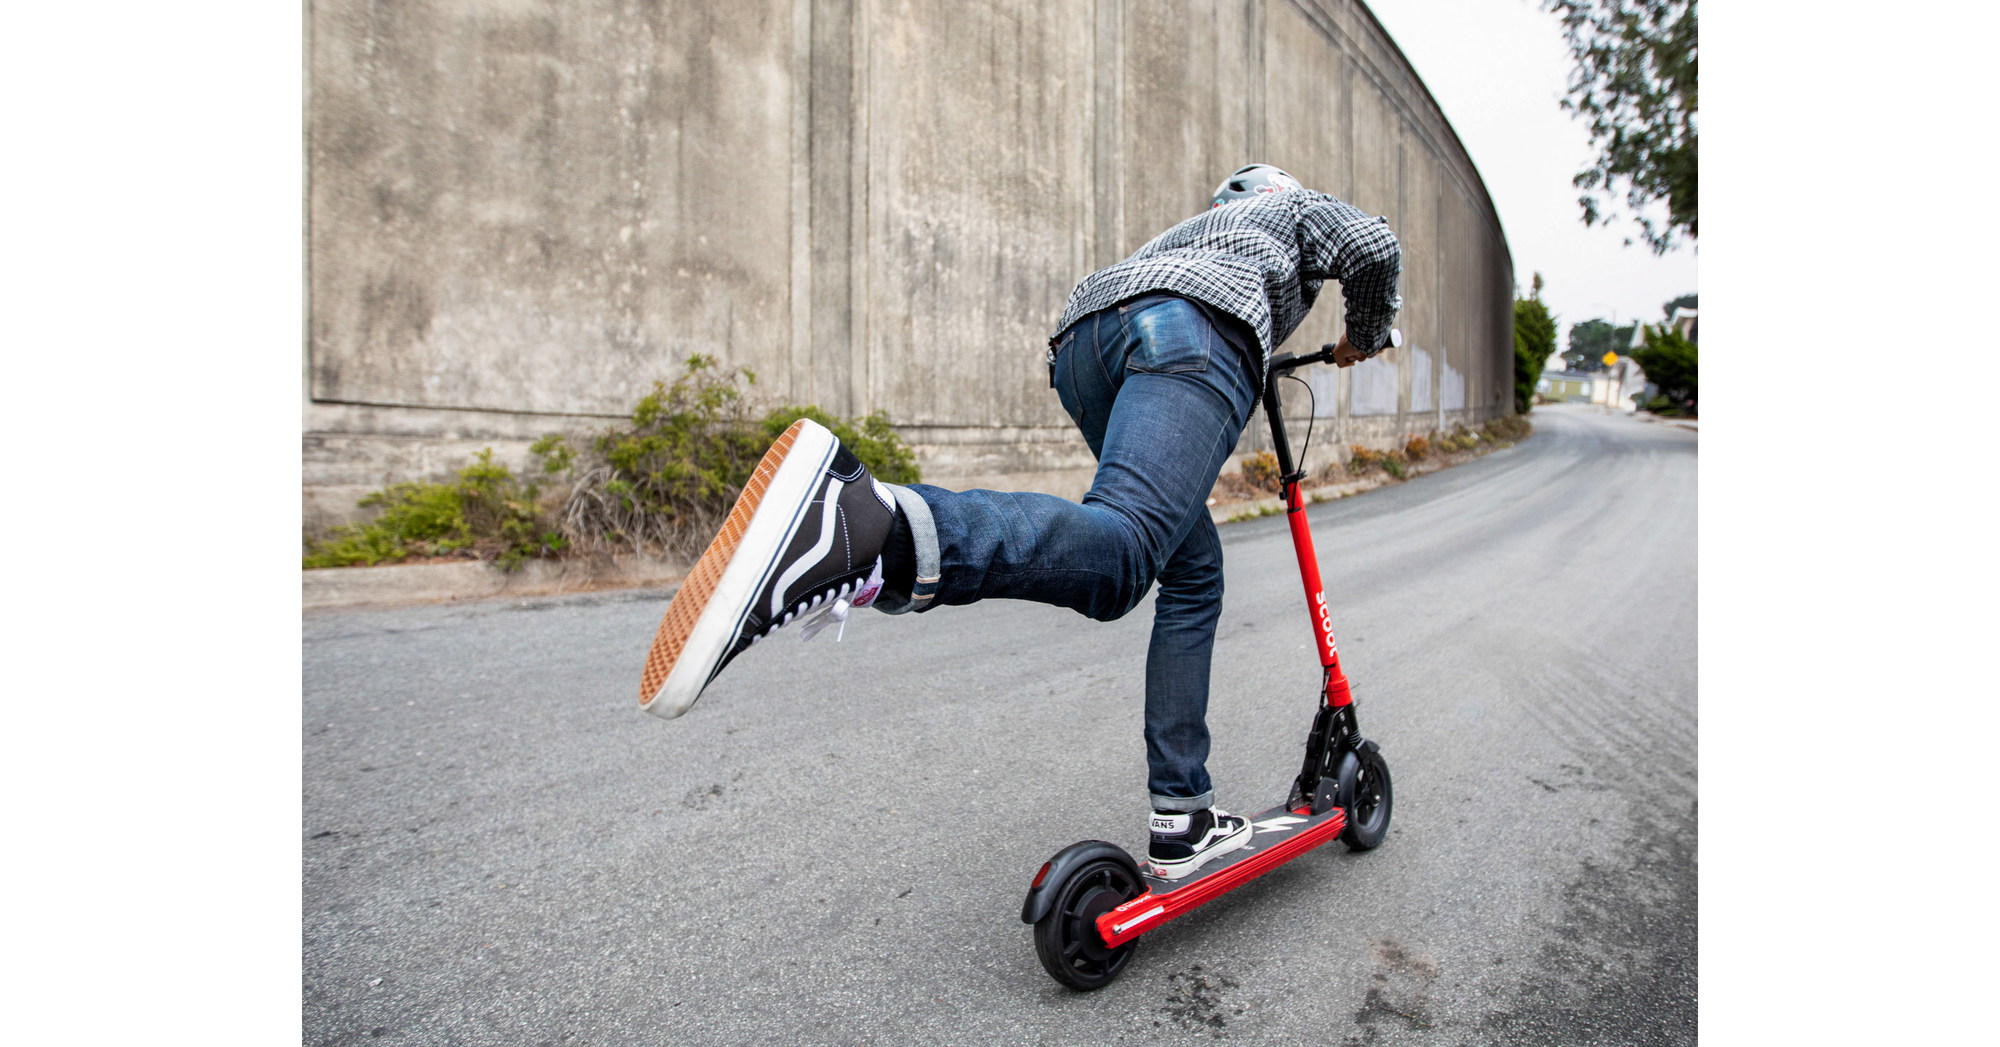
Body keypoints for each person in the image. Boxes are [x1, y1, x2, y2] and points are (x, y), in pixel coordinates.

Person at [637, 164, 1402, 880]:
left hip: (1088, 341)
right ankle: (877, 526)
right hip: (1195, 331)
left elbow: (1150, 308)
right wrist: (1361, 337)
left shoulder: (1192, 232)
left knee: (1190, 567)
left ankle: (1184, 814)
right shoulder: (1288, 207)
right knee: (1125, 556)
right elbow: (1373, 245)